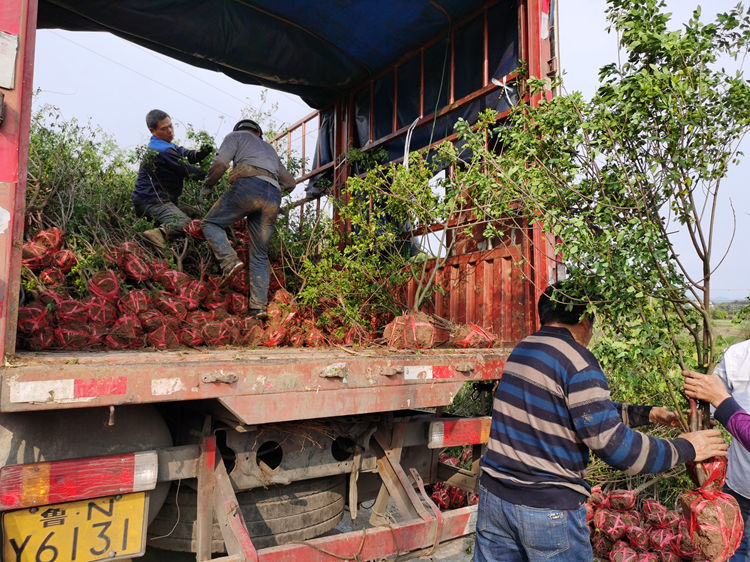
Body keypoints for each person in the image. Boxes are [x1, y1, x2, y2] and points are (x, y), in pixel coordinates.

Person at [474, 281, 729, 562]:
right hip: (546, 511)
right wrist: (686, 448)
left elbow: (579, 414)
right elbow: (616, 449)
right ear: (584, 318)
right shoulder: (579, 361)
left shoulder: (524, 349)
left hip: (494, 499)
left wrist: (649, 414)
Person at [200, 119, 295, 311]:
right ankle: (258, 308)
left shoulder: (235, 137)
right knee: (260, 253)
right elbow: (291, 183)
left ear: (239, 130)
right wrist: (271, 192)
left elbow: (220, 163)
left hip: (248, 187)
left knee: (210, 223)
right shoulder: (269, 150)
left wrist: (209, 185)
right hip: (273, 196)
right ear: (259, 133)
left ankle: (229, 261)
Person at [684, 340, 750, 561]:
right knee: (734, 549)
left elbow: (719, 399)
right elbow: (707, 405)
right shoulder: (737, 356)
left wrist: (722, 401)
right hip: (739, 486)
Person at [132, 109, 212, 248]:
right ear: (152, 130)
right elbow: (187, 171)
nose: (170, 130)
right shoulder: (162, 150)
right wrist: (212, 174)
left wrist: (199, 154)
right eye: (164, 128)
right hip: (152, 201)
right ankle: (157, 234)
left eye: (171, 126)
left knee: (201, 217)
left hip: (165, 200)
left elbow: (185, 154)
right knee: (184, 223)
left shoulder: (166, 144)